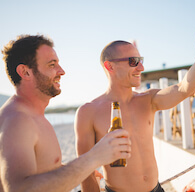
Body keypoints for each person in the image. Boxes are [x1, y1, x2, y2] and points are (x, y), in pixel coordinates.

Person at [75, 26, 195, 192]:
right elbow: (85, 171)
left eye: (141, 60)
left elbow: (184, 89)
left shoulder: (148, 100)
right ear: (110, 66)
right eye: (133, 62)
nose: (141, 68)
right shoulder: (88, 112)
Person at [0, 35, 131, 192]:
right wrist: (93, 158)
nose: (62, 71)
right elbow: (19, 189)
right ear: (25, 72)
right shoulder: (18, 120)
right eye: (52, 65)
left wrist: (79, 171)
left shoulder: (32, 115)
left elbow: (42, 168)